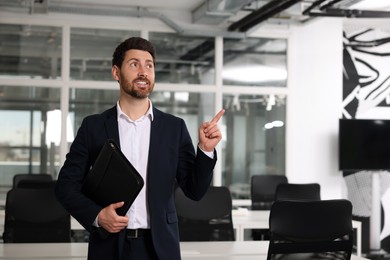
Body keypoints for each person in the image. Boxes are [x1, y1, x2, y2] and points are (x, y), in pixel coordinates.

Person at [54, 36, 224, 260]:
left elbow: (195, 190)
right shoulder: (93, 127)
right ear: (116, 73)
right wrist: (97, 215)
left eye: (149, 65)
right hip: (109, 247)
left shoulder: (174, 128)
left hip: (160, 248)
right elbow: (65, 186)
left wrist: (205, 150)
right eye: (134, 64)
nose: (143, 71)